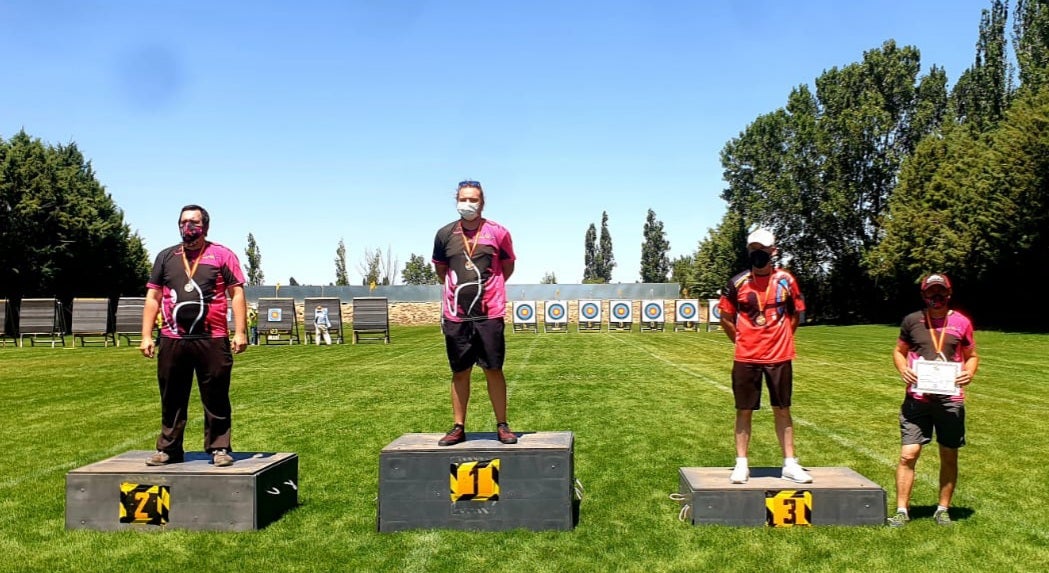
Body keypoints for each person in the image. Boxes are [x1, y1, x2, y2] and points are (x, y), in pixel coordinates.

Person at [139, 204, 248, 467]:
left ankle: (219, 448)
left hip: (212, 338)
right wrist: (146, 335)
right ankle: (169, 448)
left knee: (216, 394)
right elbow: (153, 297)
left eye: (194, 222)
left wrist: (240, 331)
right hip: (172, 338)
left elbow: (237, 294)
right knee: (172, 395)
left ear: (205, 226)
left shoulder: (222, 255)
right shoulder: (166, 257)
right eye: (183, 222)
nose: (188, 227)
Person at [718, 228, 811, 484]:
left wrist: (784, 338)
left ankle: (790, 464)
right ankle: (741, 464)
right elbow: (724, 316)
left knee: (782, 408)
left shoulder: (786, 280)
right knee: (743, 410)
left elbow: (796, 314)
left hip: (779, 356)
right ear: (748, 251)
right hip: (746, 357)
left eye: (763, 249)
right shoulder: (737, 282)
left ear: (774, 251)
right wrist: (740, 338)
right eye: (753, 249)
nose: (758, 254)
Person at [887, 273, 978, 527]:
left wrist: (969, 373)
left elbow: (971, 355)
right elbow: (898, 351)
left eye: (941, 292)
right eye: (931, 292)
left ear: (949, 294)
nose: (936, 297)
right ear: (923, 295)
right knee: (908, 454)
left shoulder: (962, 322)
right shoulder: (912, 321)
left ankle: (942, 509)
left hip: (950, 400)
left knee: (948, 454)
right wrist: (903, 368)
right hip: (917, 398)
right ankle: (902, 511)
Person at [432, 180, 518, 446]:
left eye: (473, 200)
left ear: (482, 203)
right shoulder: (445, 234)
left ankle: (502, 425)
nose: (468, 204)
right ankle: (459, 427)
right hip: (456, 314)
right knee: (460, 371)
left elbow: (507, 267)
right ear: (456, 200)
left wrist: (488, 289)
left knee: (493, 368)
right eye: (463, 199)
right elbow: (441, 271)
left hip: (489, 313)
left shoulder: (498, 232)